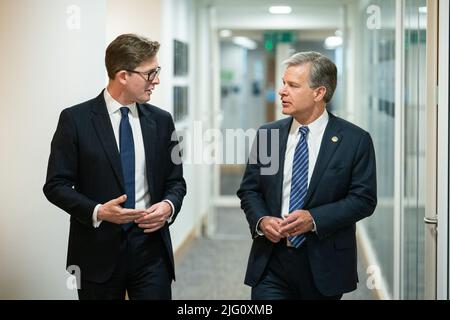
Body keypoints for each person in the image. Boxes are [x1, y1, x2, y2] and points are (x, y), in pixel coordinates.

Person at [43, 34, 186, 300]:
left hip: (151, 251)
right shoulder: (75, 120)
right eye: (150, 73)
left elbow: (176, 182)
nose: (156, 80)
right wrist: (98, 211)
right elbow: (55, 185)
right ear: (122, 76)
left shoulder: (162, 121)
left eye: (157, 71)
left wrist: (168, 206)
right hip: (97, 252)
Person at [237, 51, 377, 300]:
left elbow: (363, 199)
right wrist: (261, 221)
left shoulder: (354, 140)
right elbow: (250, 190)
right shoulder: (269, 135)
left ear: (319, 93)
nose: (281, 91)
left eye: (292, 85)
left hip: (325, 262)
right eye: (283, 83)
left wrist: (313, 218)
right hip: (271, 261)